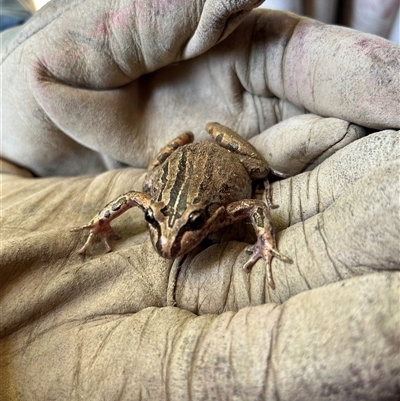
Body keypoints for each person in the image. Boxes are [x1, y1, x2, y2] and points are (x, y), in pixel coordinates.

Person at [1, 1, 399, 399]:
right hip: (180, 167)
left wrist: (266, 239)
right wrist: (101, 221)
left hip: (220, 162)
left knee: (259, 172)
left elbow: (255, 205)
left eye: (190, 226)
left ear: (204, 218)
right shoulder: (155, 212)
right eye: (156, 224)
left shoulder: (221, 211)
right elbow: (135, 197)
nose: (167, 242)